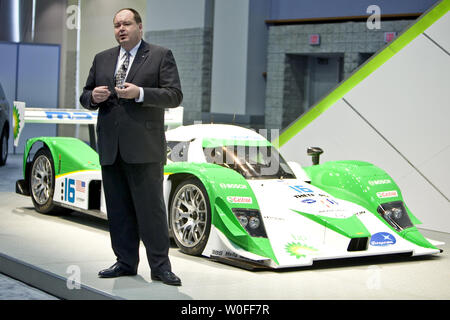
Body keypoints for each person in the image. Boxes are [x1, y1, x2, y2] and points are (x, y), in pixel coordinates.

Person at [80, 8, 182, 286]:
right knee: (118, 209)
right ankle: (125, 262)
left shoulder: (160, 55)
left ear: (139, 26)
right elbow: (84, 95)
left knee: (151, 212)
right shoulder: (102, 59)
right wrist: (93, 97)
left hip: (144, 148)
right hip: (111, 148)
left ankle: (160, 267)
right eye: (116, 25)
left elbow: (174, 96)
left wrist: (141, 94)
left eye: (126, 24)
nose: (120, 29)